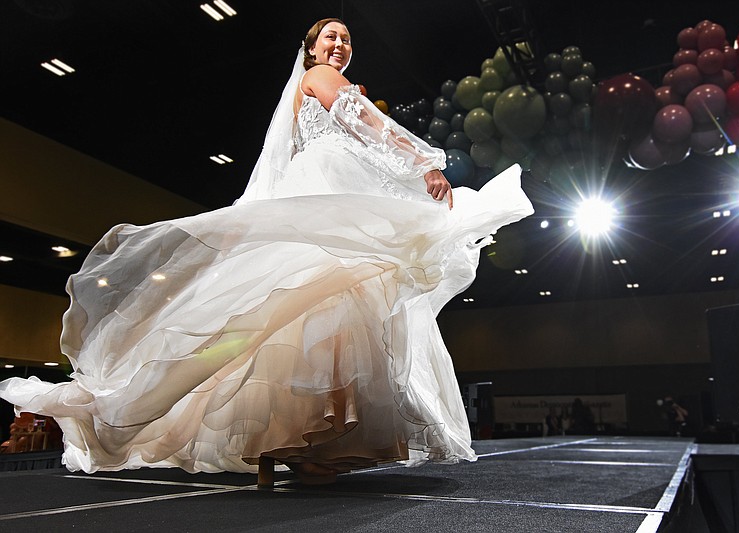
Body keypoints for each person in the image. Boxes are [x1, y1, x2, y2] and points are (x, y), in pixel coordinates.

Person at [0, 18, 533, 485]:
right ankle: (310, 440)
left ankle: (295, 441)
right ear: (311, 48)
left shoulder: (319, 82)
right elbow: (364, 122)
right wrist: (424, 163)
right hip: (325, 187)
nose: (341, 45)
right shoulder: (321, 77)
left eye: (347, 39)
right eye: (331, 36)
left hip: (325, 183)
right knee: (327, 303)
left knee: (313, 309)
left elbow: (356, 127)